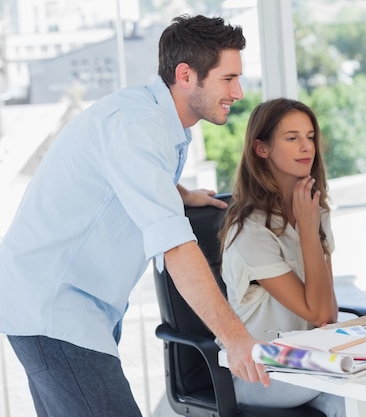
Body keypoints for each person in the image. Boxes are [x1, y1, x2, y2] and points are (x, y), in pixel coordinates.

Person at [0, 14, 268, 417]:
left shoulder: (155, 120)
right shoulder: (139, 126)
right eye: (227, 78)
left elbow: (126, 175)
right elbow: (176, 248)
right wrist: (234, 337)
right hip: (54, 308)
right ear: (186, 75)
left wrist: (181, 194)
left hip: (59, 307)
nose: (239, 90)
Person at [218, 98, 366, 417]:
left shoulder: (313, 210)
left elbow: (326, 316)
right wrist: (308, 231)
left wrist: (310, 224)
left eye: (310, 137)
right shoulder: (250, 231)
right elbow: (317, 309)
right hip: (259, 371)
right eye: (292, 138)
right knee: (364, 380)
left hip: (310, 360)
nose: (306, 147)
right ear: (261, 149)